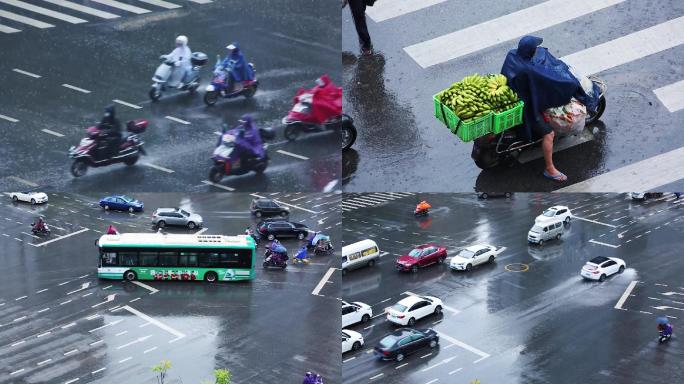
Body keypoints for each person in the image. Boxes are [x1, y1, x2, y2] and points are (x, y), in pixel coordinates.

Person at [501, 36, 591, 183]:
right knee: (549, 134)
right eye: (535, 48)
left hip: (512, 95)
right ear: (530, 51)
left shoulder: (512, 54)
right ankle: (550, 169)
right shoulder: (529, 71)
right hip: (526, 108)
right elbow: (545, 84)